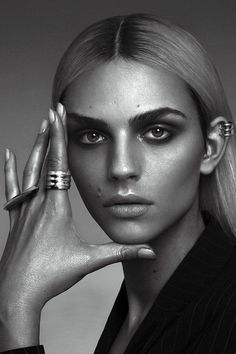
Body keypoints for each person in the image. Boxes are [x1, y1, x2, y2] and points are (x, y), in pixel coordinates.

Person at [1, 13, 236, 354]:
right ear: (63, 152)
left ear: (210, 148)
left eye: (157, 132)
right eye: (92, 135)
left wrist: (13, 310)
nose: (121, 167)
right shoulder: (137, 309)